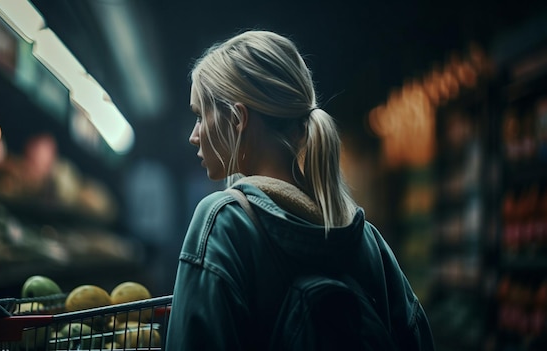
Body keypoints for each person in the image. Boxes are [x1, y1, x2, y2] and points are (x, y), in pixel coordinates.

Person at [165, 30, 434, 350]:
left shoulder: (221, 222)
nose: (194, 136)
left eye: (199, 115)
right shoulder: (367, 241)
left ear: (238, 120)